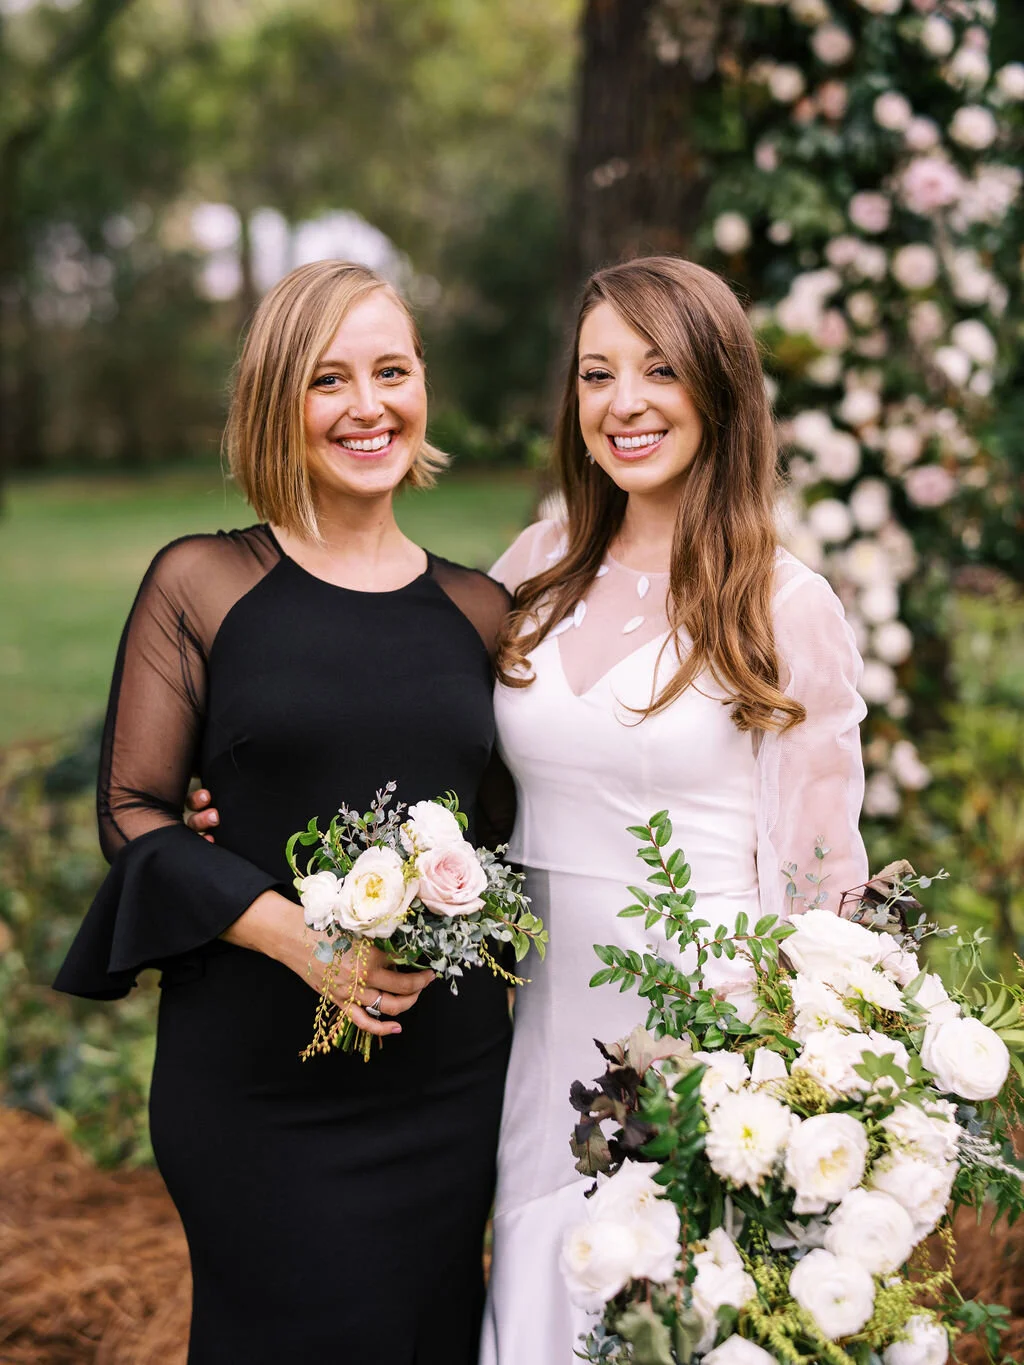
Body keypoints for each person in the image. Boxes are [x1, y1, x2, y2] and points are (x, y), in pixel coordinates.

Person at [55, 260, 516, 1365]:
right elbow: (131, 807)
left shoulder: (483, 611)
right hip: (255, 1086)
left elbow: (509, 834)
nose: (368, 406)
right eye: (328, 380)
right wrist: (296, 938)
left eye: (391, 371)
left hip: (443, 1081)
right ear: (276, 403)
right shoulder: (202, 584)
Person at [479, 256, 868, 1363]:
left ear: (718, 387)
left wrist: (791, 1087)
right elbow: (423, 734)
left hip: (707, 1044)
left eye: (657, 370)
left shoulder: (784, 604)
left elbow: (820, 880)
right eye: (596, 374)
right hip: (543, 1030)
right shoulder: (538, 566)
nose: (623, 403)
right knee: (544, 1306)